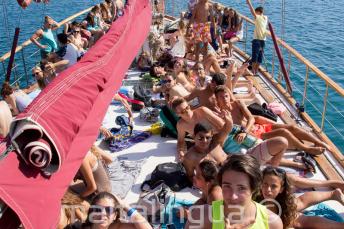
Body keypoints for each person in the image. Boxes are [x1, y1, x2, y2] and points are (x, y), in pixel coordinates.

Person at [185, 154, 283, 229]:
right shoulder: (200, 216)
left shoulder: (272, 223)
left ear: (254, 188)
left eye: (241, 188)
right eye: (227, 186)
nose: (233, 196)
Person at [215, 85, 287, 167]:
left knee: (290, 128)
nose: (225, 98)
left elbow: (251, 118)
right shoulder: (219, 116)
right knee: (284, 133)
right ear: (217, 99)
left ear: (229, 96)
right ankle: (299, 161)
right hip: (250, 137)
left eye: (226, 96)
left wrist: (244, 132)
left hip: (251, 131)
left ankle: (303, 153)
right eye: (221, 97)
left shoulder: (237, 103)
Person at [259, 166, 344, 229]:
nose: (268, 189)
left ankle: (333, 195)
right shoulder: (254, 192)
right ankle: (333, 194)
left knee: (302, 219)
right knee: (300, 203)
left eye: (273, 186)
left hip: (279, 208)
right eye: (265, 184)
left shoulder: (282, 204)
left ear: (281, 189)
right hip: (275, 205)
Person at [183, 111, 232, 181]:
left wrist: (228, 119)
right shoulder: (189, 157)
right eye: (200, 138)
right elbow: (190, 176)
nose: (205, 141)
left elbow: (227, 129)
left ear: (212, 136)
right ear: (193, 136)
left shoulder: (216, 142)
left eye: (208, 137)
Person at [73, 192, 152, 229]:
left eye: (109, 210)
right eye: (97, 209)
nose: (102, 213)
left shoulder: (118, 226)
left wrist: (126, 206)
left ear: (114, 216)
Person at [246, 0, 268, 75]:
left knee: (255, 57)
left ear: (258, 12)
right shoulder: (265, 18)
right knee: (259, 57)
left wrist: (249, 3)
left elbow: (253, 12)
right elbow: (261, 10)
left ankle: (253, 72)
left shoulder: (259, 17)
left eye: (256, 12)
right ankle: (255, 71)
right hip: (263, 40)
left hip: (257, 40)